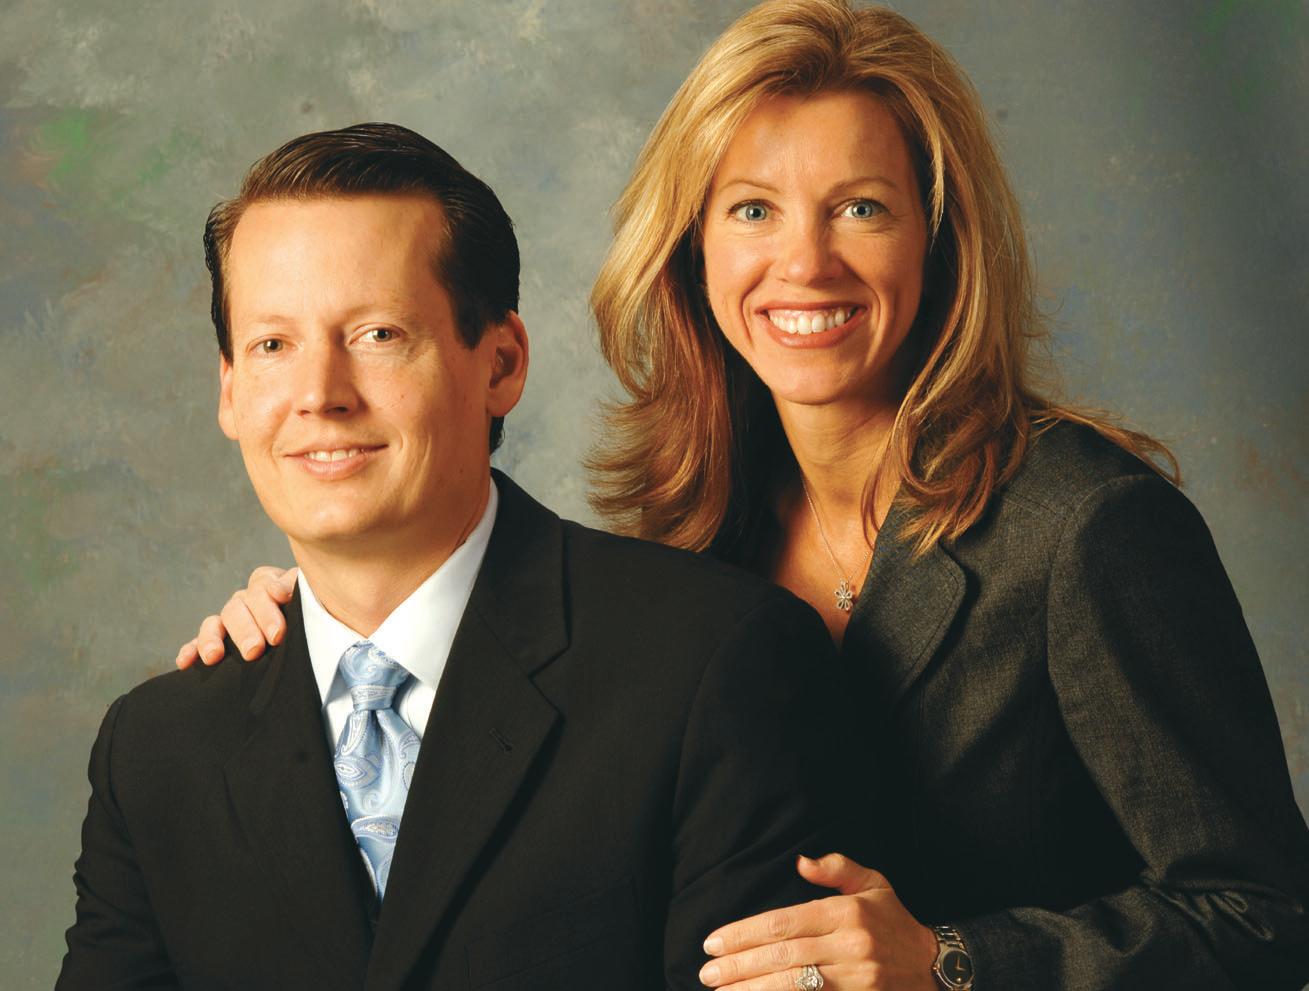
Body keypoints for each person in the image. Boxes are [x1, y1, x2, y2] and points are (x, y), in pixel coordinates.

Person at [176, 2, 1309, 989]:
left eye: (860, 207)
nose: (804, 263)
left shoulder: (1086, 529)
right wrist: (331, 640)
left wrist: (953, 962)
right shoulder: (686, 531)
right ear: (693, 248)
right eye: (753, 210)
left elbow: (1265, 915)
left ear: (938, 237)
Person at [57, 122, 854, 990]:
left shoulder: (709, 661)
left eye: (378, 334)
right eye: (273, 345)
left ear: (501, 364)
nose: (319, 394)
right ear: (230, 390)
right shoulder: (156, 750)